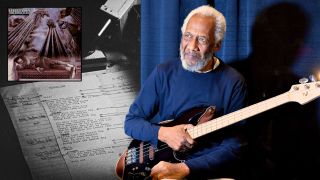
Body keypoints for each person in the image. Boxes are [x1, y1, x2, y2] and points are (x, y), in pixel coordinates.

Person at [124, 5, 247, 179]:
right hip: (164, 161)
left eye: (202, 39)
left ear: (217, 45)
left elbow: (235, 146)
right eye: (187, 36)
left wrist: (184, 169)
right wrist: (164, 133)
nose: (191, 46)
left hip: (205, 170)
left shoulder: (234, 82)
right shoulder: (164, 71)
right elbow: (131, 122)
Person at [230, 2, 320, 179]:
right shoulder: (225, 78)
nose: (292, 48)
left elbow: (309, 155)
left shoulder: (302, 89)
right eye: (278, 35)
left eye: (294, 39)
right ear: (258, 36)